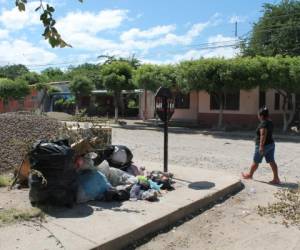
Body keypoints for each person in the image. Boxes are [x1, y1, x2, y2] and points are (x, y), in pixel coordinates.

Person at [242, 107, 280, 184]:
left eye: (258, 115)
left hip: (264, 145)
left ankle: (250, 175)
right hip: (271, 144)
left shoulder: (263, 123)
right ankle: (276, 178)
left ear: (261, 116)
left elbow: (263, 134)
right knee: (272, 161)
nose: (258, 116)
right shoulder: (270, 122)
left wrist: (261, 146)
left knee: (256, 161)